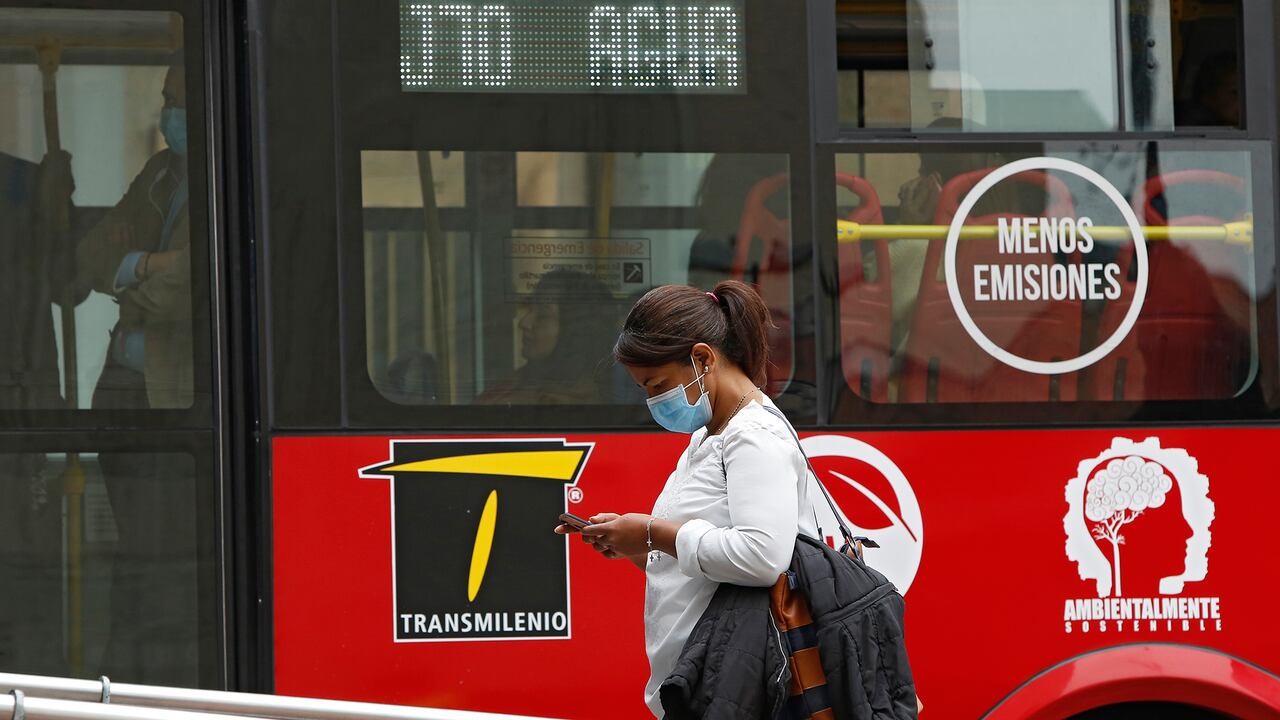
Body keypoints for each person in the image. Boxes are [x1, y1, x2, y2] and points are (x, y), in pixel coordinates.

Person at [556, 280, 817, 717]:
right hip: (704, 679)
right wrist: (632, 543)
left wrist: (652, 533)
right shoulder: (709, 434)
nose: (653, 400)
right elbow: (700, 564)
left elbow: (762, 556)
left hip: (733, 682)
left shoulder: (753, 436)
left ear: (701, 358)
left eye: (657, 385)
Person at [72, 59, 200, 685]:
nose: (167, 113)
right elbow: (91, 255)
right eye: (164, 98)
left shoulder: (232, 170)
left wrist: (138, 273)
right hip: (123, 397)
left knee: (163, 560)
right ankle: (127, 672)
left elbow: (193, 285)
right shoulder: (158, 173)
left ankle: (150, 676)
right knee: (135, 554)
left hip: (177, 404)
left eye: (178, 101)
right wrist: (149, 263)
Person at [479, 268, 617, 405]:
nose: (524, 323)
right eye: (530, 308)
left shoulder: (590, 407)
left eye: (542, 315)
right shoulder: (516, 384)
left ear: (574, 330)